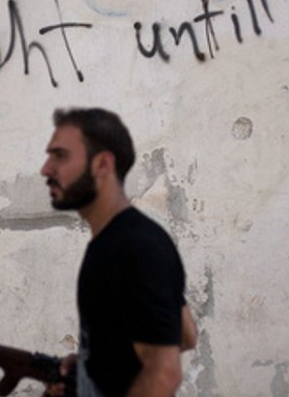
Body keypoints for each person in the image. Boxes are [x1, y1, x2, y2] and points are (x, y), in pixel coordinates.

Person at [40, 107, 197, 397]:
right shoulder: (120, 241)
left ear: (102, 164)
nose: (46, 169)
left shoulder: (132, 248)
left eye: (60, 156)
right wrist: (90, 365)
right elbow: (185, 335)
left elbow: (164, 373)